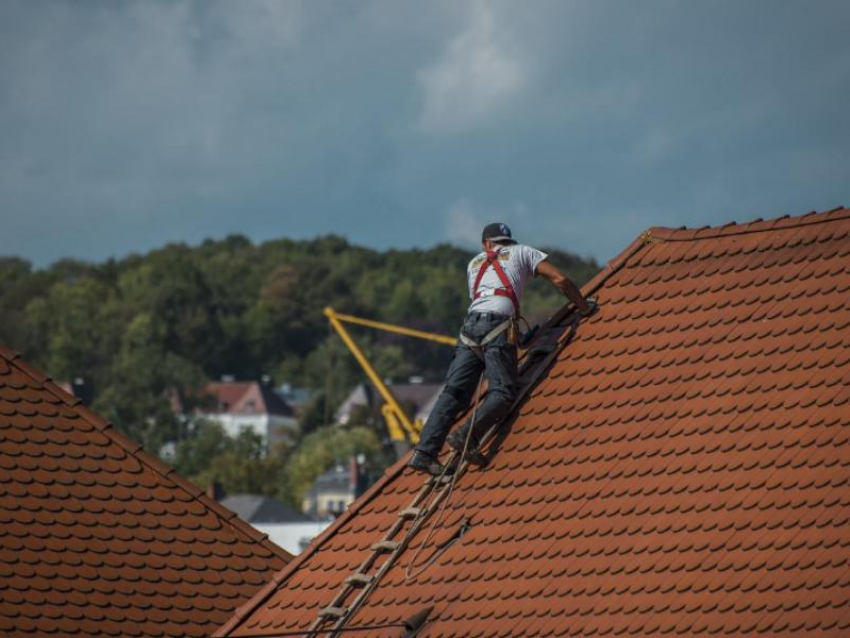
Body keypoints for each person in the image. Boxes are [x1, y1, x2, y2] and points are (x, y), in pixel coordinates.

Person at [407, 222, 595, 476]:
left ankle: (424, 452)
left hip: (469, 329)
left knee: (453, 393)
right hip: (496, 327)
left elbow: (486, 298)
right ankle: (466, 436)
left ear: (486, 244)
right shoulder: (523, 252)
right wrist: (583, 307)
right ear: (507, 241)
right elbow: (560, 279)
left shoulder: (474, 264)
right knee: (503, 392)